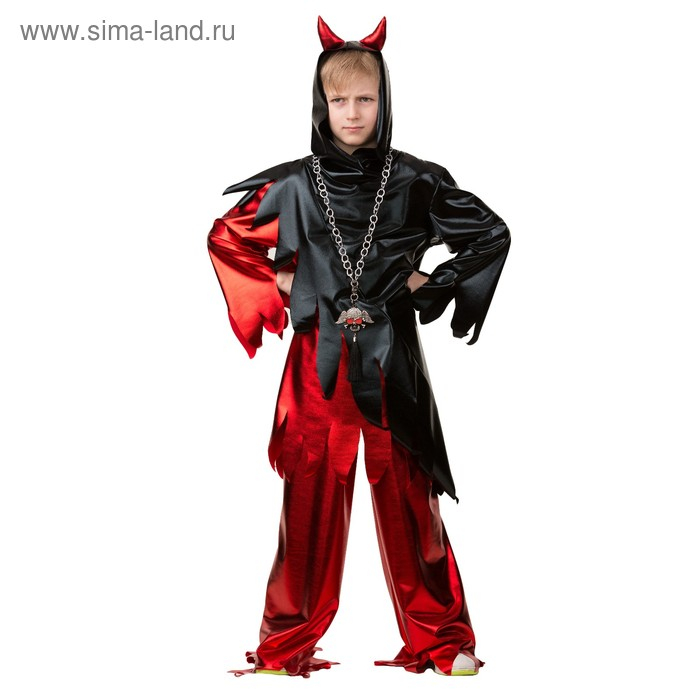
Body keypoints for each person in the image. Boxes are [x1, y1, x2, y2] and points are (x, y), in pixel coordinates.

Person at [207, 16, 510, 678]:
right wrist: (287, 282)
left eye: (365, 98)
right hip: (318, 369)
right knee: (308, 501)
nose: (351, 112)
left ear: (384, 100)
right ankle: (284, 643)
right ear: (322, 103)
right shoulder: (293, 185)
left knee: (411, 498)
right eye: (339, 99)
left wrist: (432, 283)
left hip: (392, 362)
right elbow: (226, 236)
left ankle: (442, 638)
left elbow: (491, 234)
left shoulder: (416, 181)